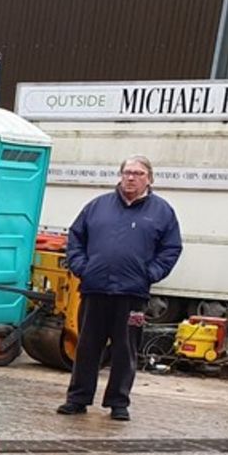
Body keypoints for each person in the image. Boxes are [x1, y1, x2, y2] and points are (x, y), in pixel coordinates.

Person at [58, 155, 182, 421]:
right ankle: (77, 399)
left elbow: (171, 249)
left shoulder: (162, 212)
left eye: (137, 173)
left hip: (132, 294)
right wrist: (82, 267)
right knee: (87, 346)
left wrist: (151, 273)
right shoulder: (97, 206)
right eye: (127, 172)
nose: (130, 178)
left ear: (149, 178)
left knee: (125, 350)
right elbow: (75, 238)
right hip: (95, 289)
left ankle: (118, 402)